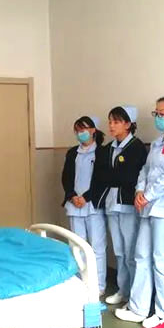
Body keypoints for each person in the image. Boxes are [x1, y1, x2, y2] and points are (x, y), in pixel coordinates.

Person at [115, 95, 164, 327]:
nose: (157, 117)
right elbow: (145, 170)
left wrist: (148, 195)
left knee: (163, 261)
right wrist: (140, 191)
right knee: (141, 256)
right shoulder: (160, 141)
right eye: (156, 113)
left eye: (162, 113)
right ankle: (138, 308)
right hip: (149, 207)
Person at [91, 106, 147, 306]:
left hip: (129, 205)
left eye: (116, 122)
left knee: (131, 252)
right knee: (120, 251)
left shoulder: (136, 147)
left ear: (128, 124)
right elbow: (102, 175)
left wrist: (115, 176)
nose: (111, 126)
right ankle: (123, 290)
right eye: (110, 121)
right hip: (111, 204)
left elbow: (129, 176)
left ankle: (134, 295)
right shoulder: (107, 149)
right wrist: (115, 176)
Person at [61, 116, 108, 295]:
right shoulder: (72, 152)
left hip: (93, 205)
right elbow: (66, 177)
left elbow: (102, 180)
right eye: (77, 130)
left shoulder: (102, 152)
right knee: (77, 246)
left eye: (83, 129)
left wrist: (86, 197)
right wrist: (72, 196)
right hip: (74, 205)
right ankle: (80, 282)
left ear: (93, 130)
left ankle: (99, 285)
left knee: (97, 247)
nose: (80, 133)